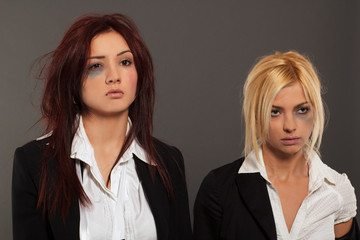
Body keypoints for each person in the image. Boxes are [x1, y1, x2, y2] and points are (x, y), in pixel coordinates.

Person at [12, 13, 192, 240]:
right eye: (96, 65)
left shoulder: (169, 161)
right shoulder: (34, 162)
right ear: (72, 80)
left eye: (125, 62)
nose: (114, 76)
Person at [193, 51, 359, 239]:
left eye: (302, 110)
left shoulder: (337, 189)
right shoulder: (219, 188)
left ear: (315, 111)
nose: (290, 126)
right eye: (275, 112)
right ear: (256, 115)